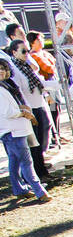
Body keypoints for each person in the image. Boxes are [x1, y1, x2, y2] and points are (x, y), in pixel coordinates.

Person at [0, 57, 48, 203]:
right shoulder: (2, 88)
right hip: (13, 130)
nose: (1, 71)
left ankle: (19, 189)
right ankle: (40, 191)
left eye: (3, 68)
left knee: (15, 162)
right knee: (26, 162)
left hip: (14, 129)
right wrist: (23, 112)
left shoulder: (7, 85)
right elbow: (7, 112)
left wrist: (22, 109)